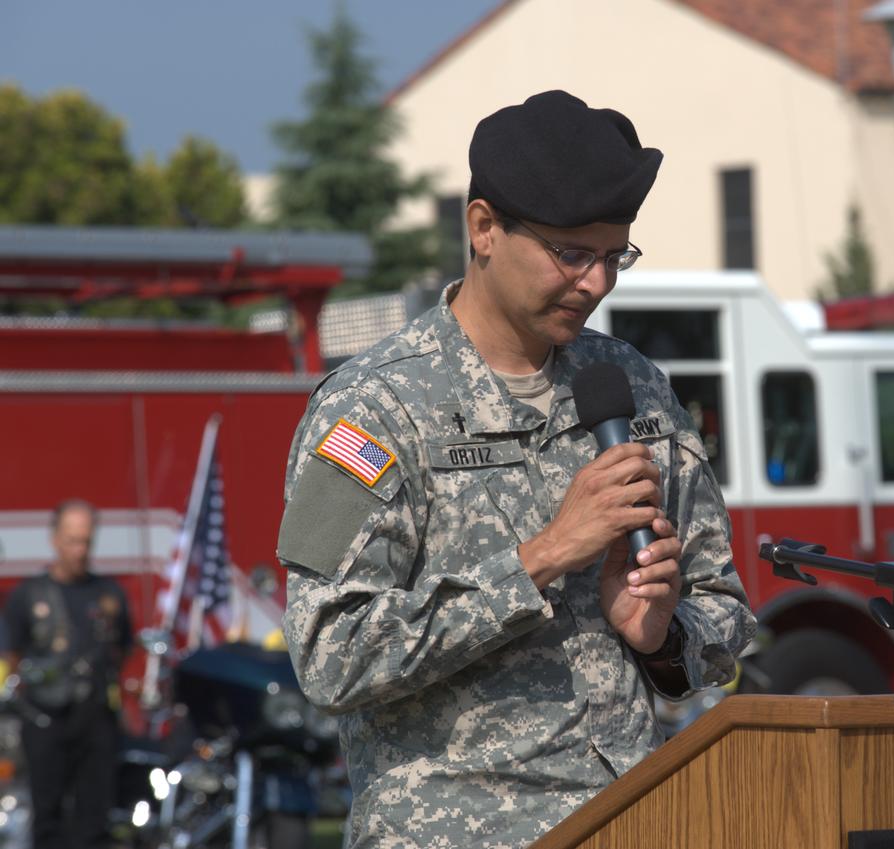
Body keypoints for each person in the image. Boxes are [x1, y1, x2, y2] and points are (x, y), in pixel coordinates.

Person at [277, 90, 756, 848]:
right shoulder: (371, 410)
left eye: (614, 255)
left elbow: (724, 608)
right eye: (572, 253)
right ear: (484, 229)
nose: (597, 283)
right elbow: (330, 654)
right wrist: (542, 557)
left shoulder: (634, 390)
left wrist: (662, 640)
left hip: (628, 818)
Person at [3, 499, 132, 849]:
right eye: (72, 540)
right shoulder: (29, 595)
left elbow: (122, 649)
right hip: (45, 720)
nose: (79, 550)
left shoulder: (108, 594)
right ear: (55, 539)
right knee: (48, 818)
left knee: (94, 818)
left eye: (86, 541)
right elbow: (13, 655)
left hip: (95, 720)